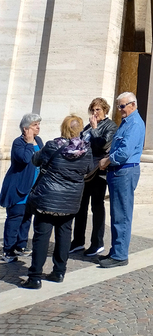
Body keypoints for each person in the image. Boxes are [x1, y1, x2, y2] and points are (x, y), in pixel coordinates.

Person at [22, 115, 93, 289]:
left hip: (48, 198)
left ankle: (35, 277)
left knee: (41, 236)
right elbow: (90, 169)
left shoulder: (53, 145)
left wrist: (32, 144)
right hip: (70, 200)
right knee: (64, 235)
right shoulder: (86, 150)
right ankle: (59, 272)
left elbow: (35, 160)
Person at [97, 92, 145, 269]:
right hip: (119, 172)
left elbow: (124, 152)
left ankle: (120, 255)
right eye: (119, 106)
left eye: (122, 106)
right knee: (117, 213)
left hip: (124, 172)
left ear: (132, 104)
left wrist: (107, 160)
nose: (120, 110)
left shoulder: (134, 124)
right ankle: (116, 249)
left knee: (122, 214)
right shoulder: (127, 122)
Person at [69, 98, 118, 257]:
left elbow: (103, 145)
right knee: (81, 206)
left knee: (97, 206)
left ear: (105, 111)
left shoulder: (110, 126)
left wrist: (96, 129)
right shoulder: (88, 127)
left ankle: (97, 243)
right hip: (85, 171)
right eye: (93, 110)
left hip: (99, 171)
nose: (95, 113)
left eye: (98, 110)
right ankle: (77, 241)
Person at [0, 113, 43, 263]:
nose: (38, 127)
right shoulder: (18, 142)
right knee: (15, 218)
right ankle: (8, 250)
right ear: (25, 129)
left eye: (38, 124)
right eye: (34, 125)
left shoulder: (39, 140)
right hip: (17, 188)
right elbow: (25, 159)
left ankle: (21, 246)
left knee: (26, 218)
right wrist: (29, 142)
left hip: (32, 189)